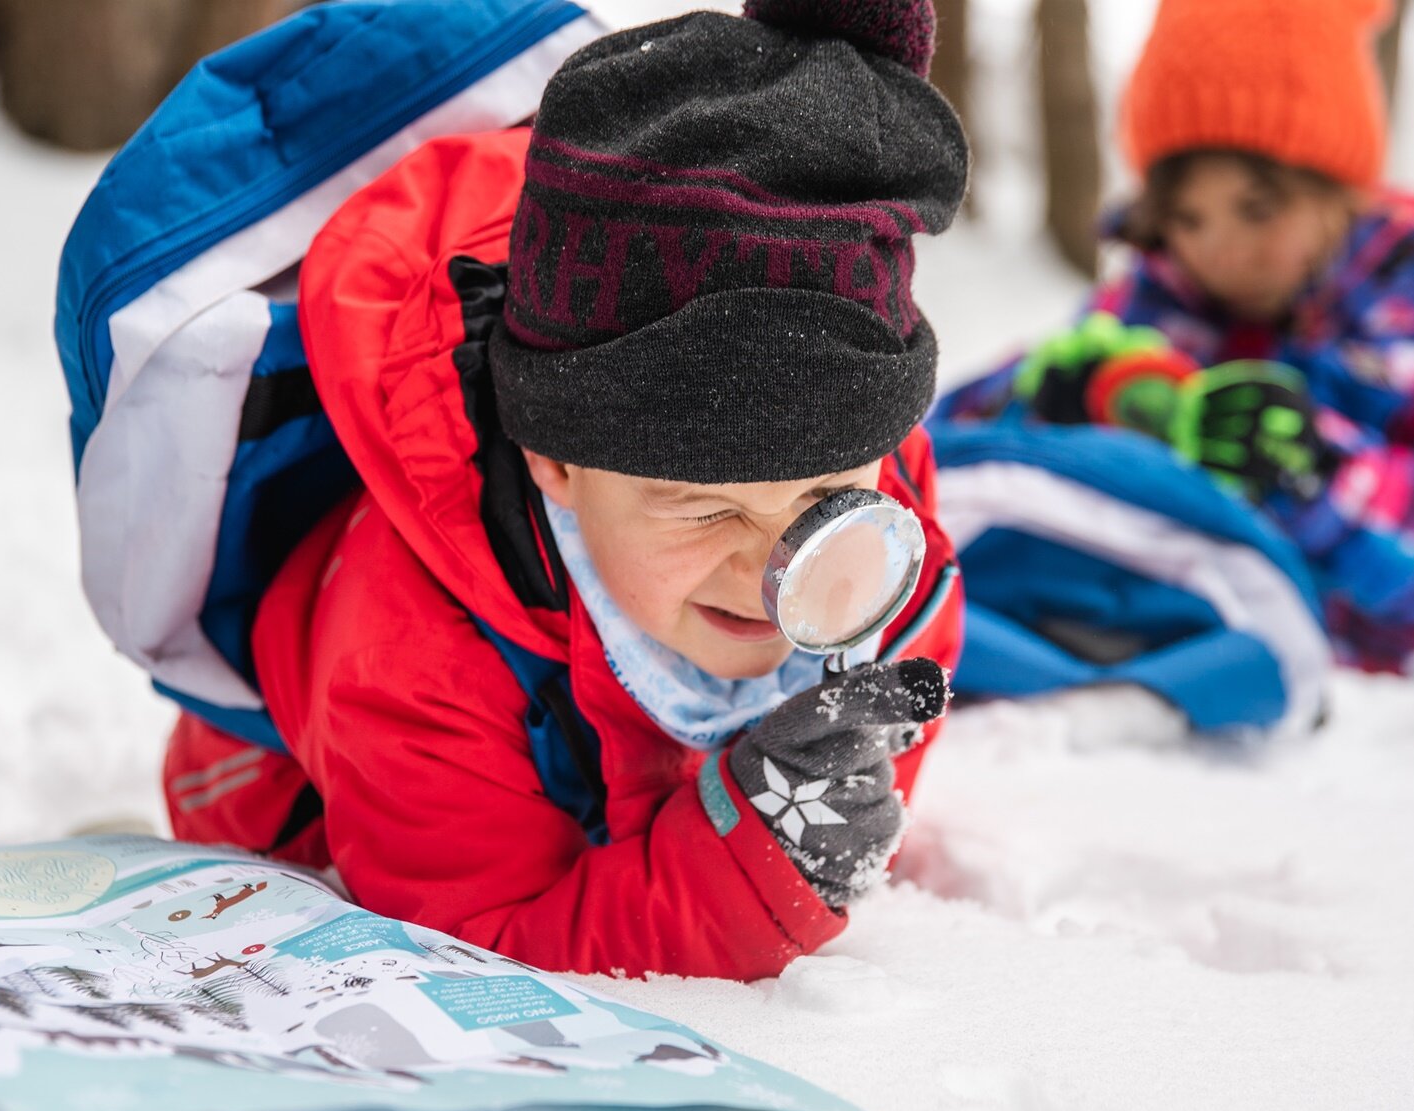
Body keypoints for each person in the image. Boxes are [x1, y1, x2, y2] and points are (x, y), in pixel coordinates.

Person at [161, 0, 969, 980]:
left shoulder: (893, 555)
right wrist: (760, 865)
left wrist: (829, 796)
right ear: (555, 462)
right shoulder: (413, 657)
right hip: (329, 822)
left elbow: (860, 765)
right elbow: (478, 947)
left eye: (824, 496)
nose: (773, 568)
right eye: (707, 506)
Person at [933, 0, 1414, 672]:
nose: (1220, 251)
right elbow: (937, 461)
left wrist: (1321, 473)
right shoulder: (1155, 301)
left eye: (1256, 211)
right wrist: (1043, 400)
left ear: (1335, 192)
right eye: (1187, 218)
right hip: (1142, 647)